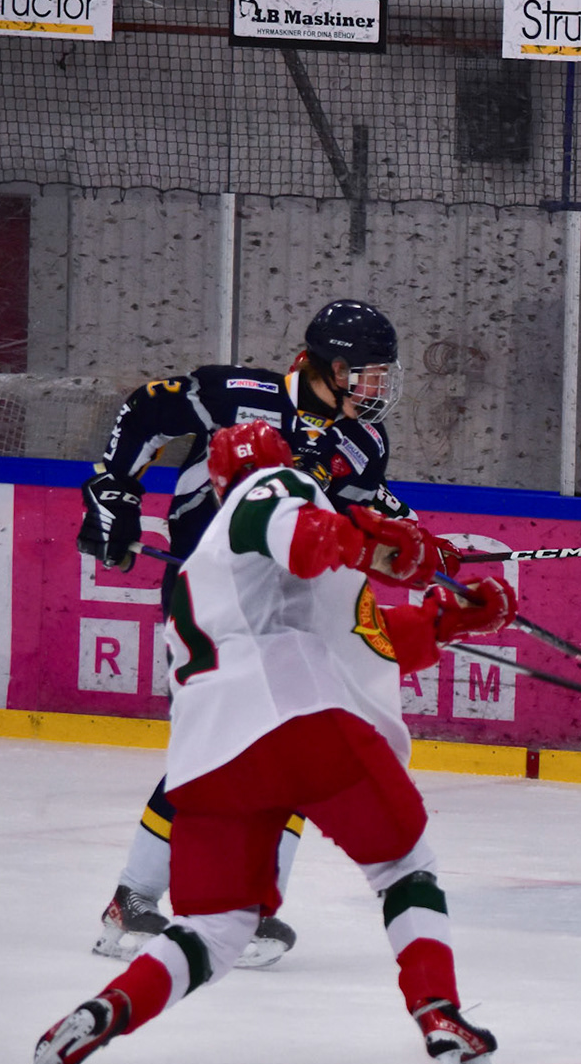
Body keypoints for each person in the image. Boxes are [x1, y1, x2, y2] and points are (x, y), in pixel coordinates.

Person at [25, 421, 515, 1064]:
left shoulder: (211, 568)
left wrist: (444, 618)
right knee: (404, 866)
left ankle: (103, 1010)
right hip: (294, 722)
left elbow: (358, 636)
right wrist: (370, 540)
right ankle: (440, 1014)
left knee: (215, 930)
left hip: (205, 764)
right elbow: (302, 535)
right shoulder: (272, 488)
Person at [77, 299, 412, 968]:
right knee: (232, 745)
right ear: (332, 367)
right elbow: (145, 411)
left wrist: (403, 538)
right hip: (214, 599)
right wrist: (114, 491)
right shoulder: (238, 396)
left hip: (290, 610)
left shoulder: (363, 445)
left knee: (291, 751)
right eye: (368, 373)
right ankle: (143, 900)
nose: (378, 387)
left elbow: (349, 528)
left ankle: (225, 906)